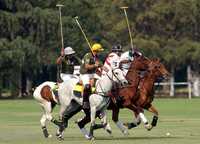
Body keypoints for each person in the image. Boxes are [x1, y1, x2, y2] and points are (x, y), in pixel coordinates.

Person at [80, 43, 104, 109]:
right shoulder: (88, 56)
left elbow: (102, 66)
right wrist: (95, 65)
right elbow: (87, 66)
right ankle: (85, 102)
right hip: (85, 74)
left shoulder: (97, 57)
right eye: (99, 51)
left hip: (92, 73)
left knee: (104, 81)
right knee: (87, 86)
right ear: (96, 51)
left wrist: (110, 71)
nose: (100, 52)